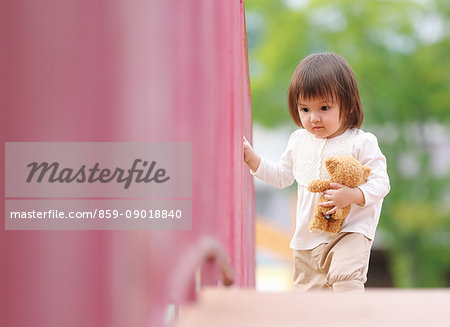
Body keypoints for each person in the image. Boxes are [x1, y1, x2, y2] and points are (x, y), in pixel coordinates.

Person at [243, 52, 390, 292]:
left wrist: (351, 195)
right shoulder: (299, 141)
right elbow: (282, 176)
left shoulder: (361, 142)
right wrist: (253, 160)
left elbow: (381, 183)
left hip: (348, 232)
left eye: (324, 107)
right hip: (306, 239)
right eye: (305, 109)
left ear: (348, 104)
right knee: (310, 301)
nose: (314, 118)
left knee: (346, 281)